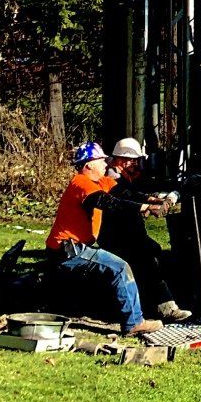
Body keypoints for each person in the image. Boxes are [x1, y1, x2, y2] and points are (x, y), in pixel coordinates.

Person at [45, 142, 155, 336]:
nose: (106, 163)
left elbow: (125, 194)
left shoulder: (101, 181)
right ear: (88, 165)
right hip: (68, 251)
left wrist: (152, 200)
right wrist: (143, 208)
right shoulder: (80, 183)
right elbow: (106, 202)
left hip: (76, 247)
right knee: (120, 268)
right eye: (101, 160)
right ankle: (134, 323)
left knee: (113, 269)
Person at [101, 138, 191, 323]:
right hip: (118, 237)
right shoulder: (112, 180)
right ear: (120, 160)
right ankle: (165, 308)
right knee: (148, 261)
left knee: (155, 253)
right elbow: (128, 197)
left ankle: (149, 302)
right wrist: (150, 204)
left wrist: (157, 197)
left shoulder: (124, 176)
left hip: (129, 234)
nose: (136, 164)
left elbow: (140, 189)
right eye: (133, 161)